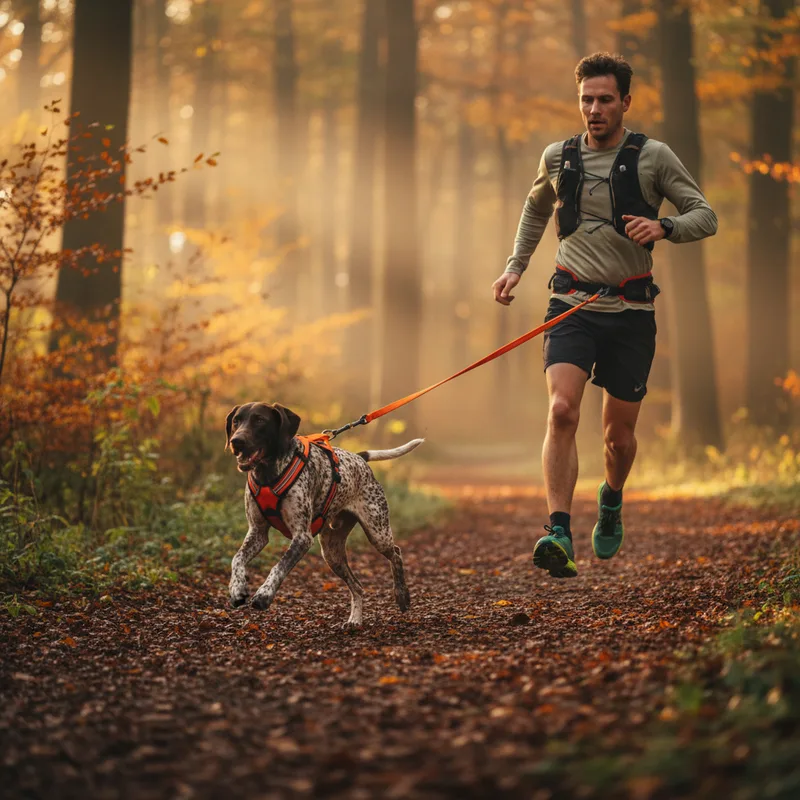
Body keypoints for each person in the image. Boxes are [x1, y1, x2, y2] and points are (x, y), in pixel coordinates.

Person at [491, 52, 717, 578]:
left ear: (625, 103)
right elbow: (536, 209)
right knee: (562, 410)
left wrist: (665, 228)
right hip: (570, 302)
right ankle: (558, 530)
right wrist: (515, 267)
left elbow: (704, 215)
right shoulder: (558, 156)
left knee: (617, 438)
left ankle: (611, 498)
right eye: (586, 99)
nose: (594, 109)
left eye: (604, 100)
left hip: (631, 312)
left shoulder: (653, 157)